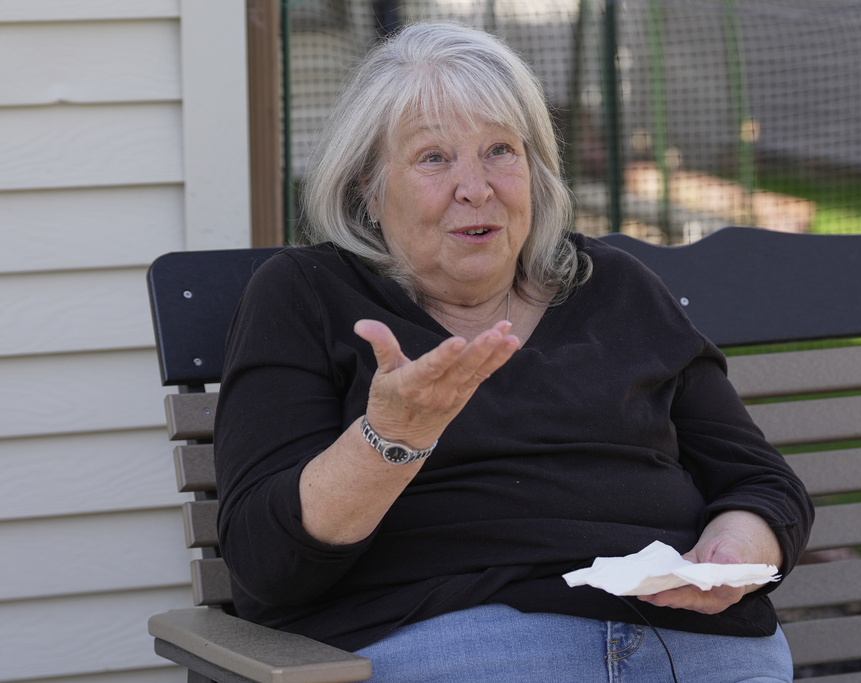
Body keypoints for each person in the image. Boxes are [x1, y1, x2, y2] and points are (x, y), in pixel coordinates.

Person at [215, 22, 813, 683]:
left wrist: (736, 548)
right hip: (467, 645)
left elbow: (762, 483)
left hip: (694, 643)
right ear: (368, 186)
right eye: (434, 158)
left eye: (500, 150)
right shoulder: (307, 297)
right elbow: (266, 564)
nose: (477, 187)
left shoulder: (614, 287)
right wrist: (390, 440)